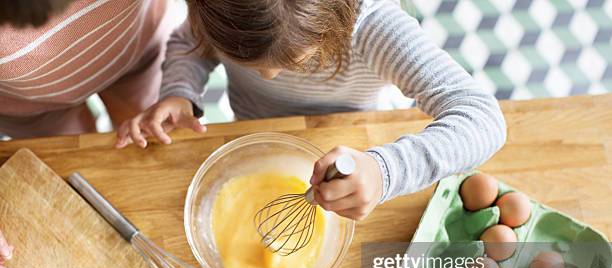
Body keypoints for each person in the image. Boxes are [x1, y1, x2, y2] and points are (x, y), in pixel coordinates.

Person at [119, 0, 506, 221]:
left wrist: (384, 170)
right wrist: (180, 91)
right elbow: (191, 43)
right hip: (258, 133)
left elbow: (482, 117)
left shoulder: (374, 27)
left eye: (296, 61)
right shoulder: (222, 11)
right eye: (248, 63)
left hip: (355, 147)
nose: (268, 76)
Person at [0, 0, 176, 268]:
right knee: (71, 167)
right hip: (31, 109)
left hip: (138, 55)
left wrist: (182, 86)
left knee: (146, 137)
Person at [0, 0, 175, 138]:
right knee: (75, 167)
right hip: (31, 111)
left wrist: (183, 90)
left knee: (154, 138)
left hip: (140, 54)